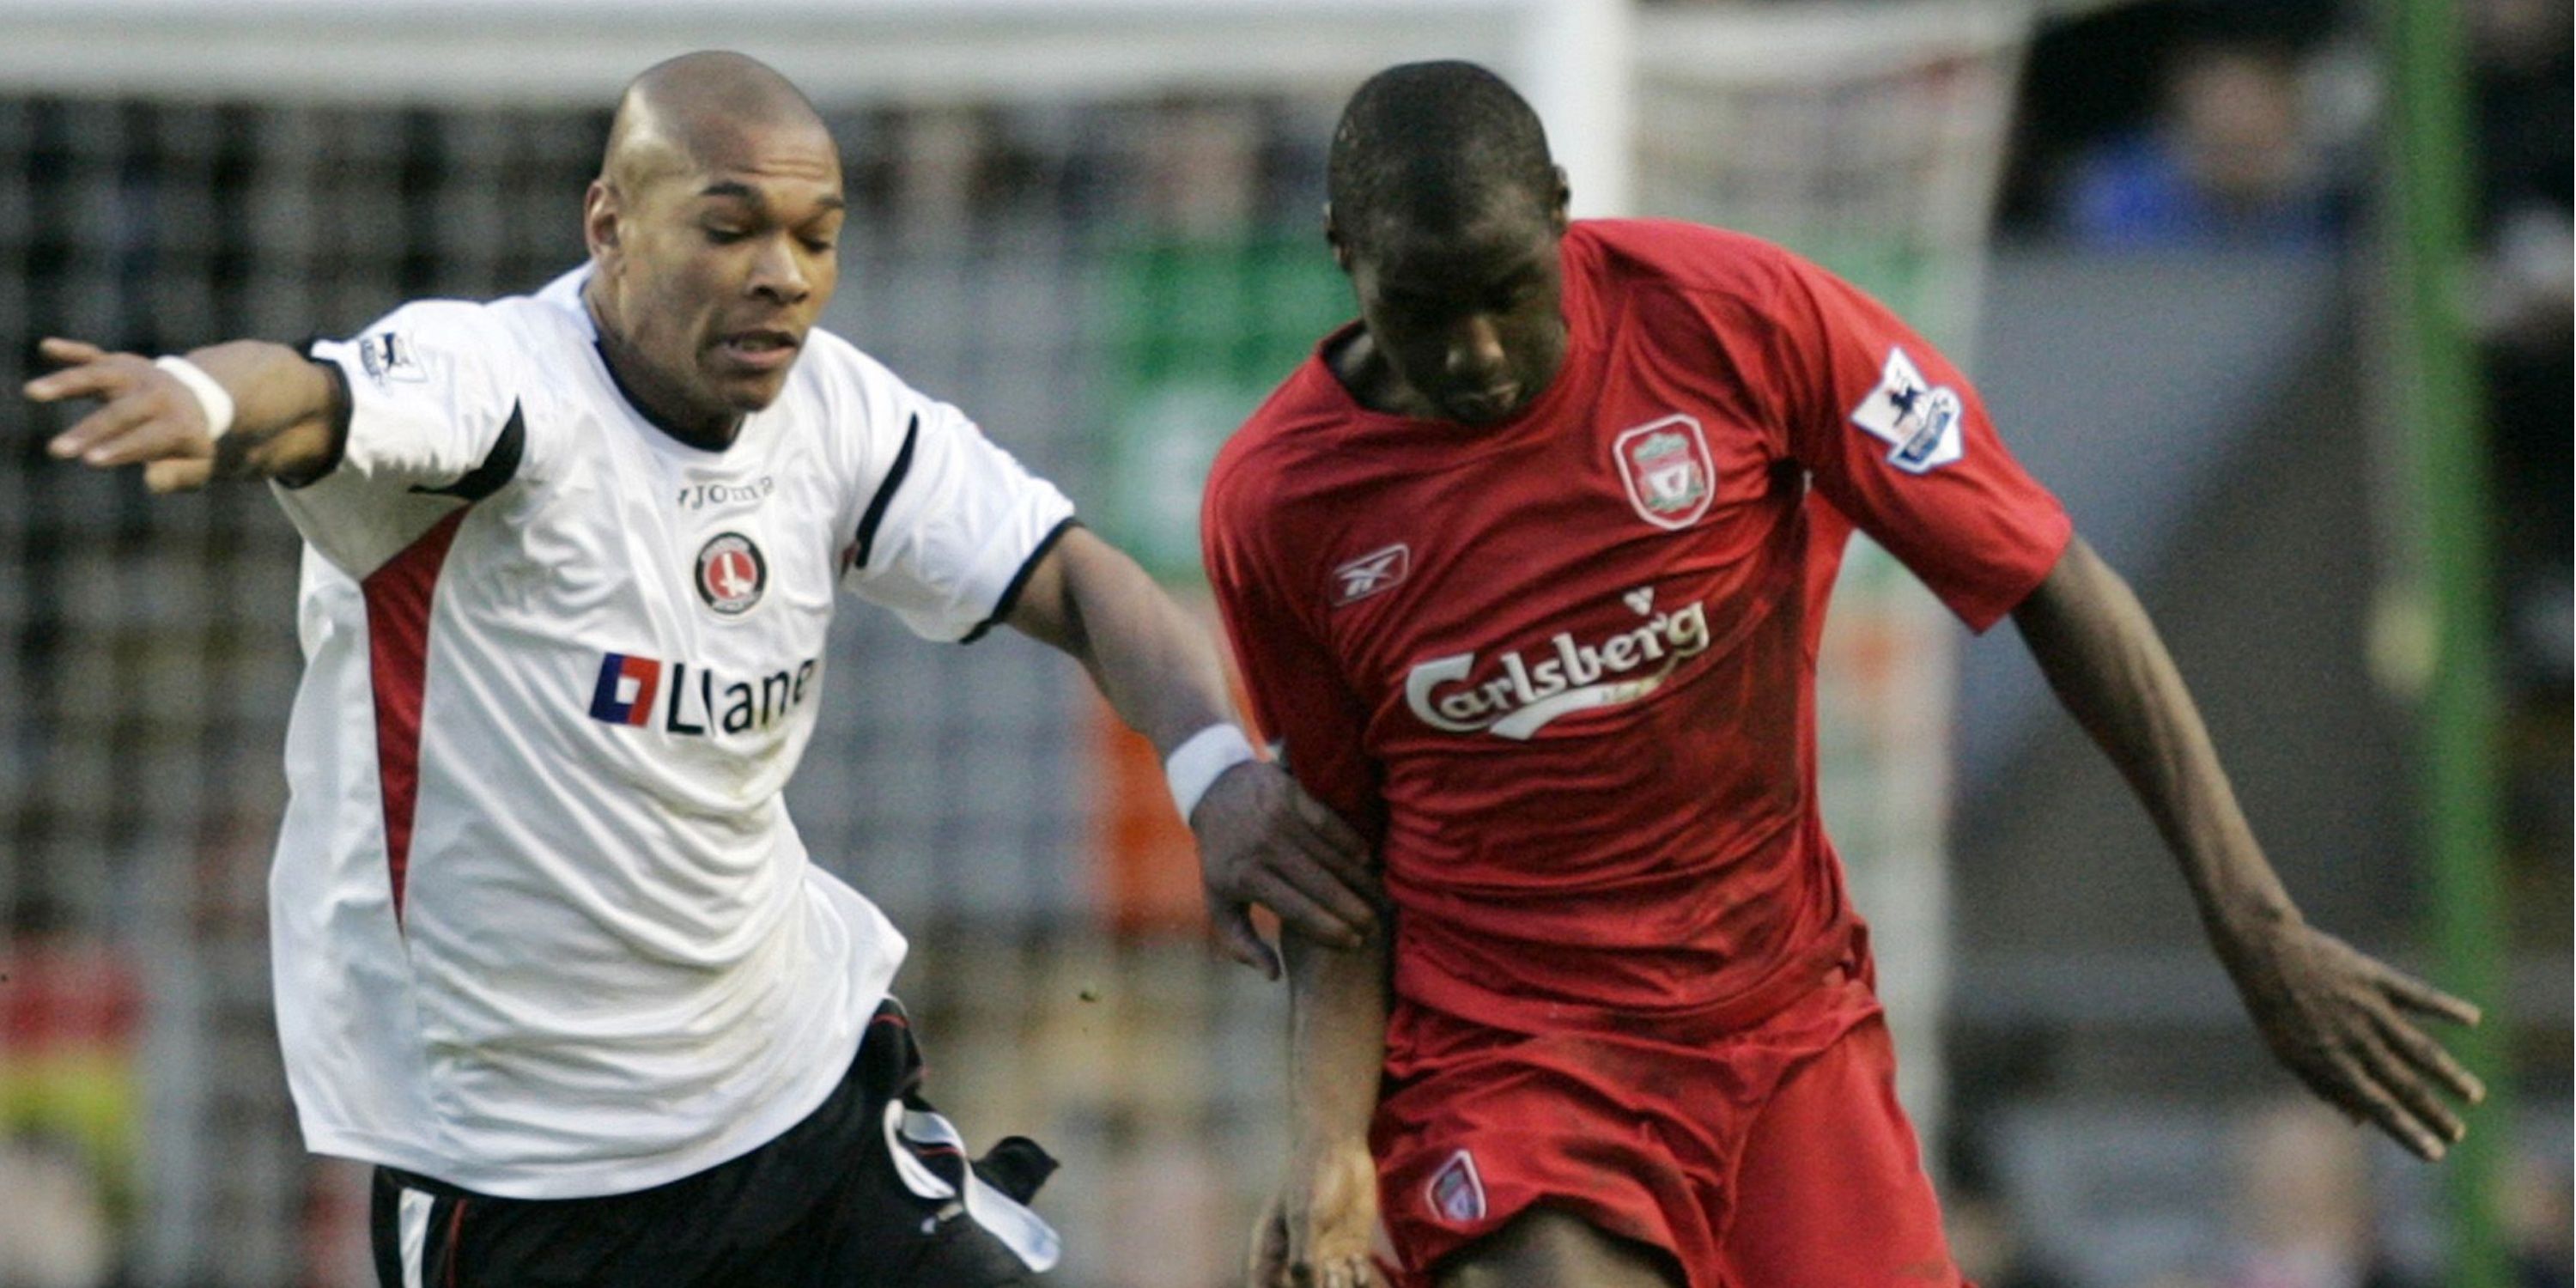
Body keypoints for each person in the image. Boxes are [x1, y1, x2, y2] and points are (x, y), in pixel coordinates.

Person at [21, 51, 1370, 1288]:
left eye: (816, 237)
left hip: (798, 1100)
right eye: (730, 230)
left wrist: (1214, 777)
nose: (781, 272)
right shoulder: (501, 383)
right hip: (529, 1175)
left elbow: (1075, 575)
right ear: (609, 224)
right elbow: (315, 396)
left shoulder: (835, 409)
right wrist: (205, 400)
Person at [1196, 61, 2487, 1288]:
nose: (1476, 353)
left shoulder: (1742, 321)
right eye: (1423, 310)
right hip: (1509, 1056)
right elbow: (1335, 856)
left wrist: (2251, 924)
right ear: (1340, 257)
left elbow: (2050, 579)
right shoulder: (1282, 509)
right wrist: (1323, 1140)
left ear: (1561, 215)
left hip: (1779, 1023)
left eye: (1508, 293)